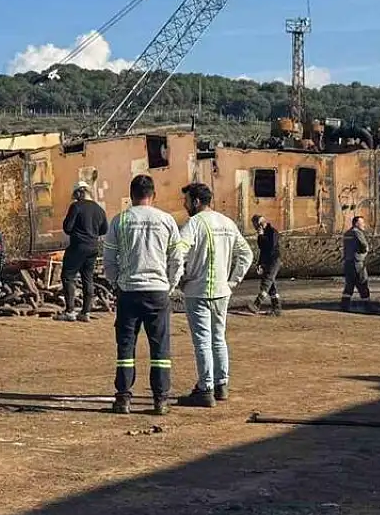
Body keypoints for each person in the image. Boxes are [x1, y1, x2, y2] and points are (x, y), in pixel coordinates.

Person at [103, 174, 185, 416]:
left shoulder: (120, 220)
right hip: (158, 292)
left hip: (129, 292)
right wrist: (170, 285)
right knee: (160, 348)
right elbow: (177, 259)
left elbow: (109, 260)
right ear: (153, 195)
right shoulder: (166, 220)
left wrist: (116, 283)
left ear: (131, 195)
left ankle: (123, 398)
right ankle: (160, 400)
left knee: (125, 347)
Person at [175, 183, 253, 408]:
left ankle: (205, 388)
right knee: (218, 338)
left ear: (196, 201)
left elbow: (179, 252)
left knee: (202, 340)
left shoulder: (194, 223)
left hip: (198, 290)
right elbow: (246, 254)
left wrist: (179, 278)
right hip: (221, 291)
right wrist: (232, 281)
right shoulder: (227, 222)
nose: (185, 205)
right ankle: (221, 384)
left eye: (187, 201)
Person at [55, 181, 108, 322]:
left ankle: (70, 311)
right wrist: (92, 233)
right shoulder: (99, 209)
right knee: (88, 278)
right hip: (93, 247)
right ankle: (85, 312)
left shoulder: (76, 207)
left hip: (78, 246)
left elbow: (67, 228)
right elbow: (104, 229)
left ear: (80, 192)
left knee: (68, 276)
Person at [246, 214, 282, 316]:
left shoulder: (272, 232)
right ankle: (276, 309)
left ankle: (257, 304)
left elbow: (271, 247)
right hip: (267, 261)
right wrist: (259, 263)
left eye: (255, 225)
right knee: (271, 286)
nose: (255, 228)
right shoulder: (262, 234)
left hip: (274, 260)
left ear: (260, 224)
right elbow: (262, 250)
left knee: (267, 281)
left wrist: (261, 236)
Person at [340, 216, 373, 312]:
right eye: (362, 223)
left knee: (349, 284)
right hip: (357, 263)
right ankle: (368, 307)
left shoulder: (347, 233)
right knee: (363, 283)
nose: (364, 224)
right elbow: (364, 245)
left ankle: (344, 306)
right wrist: (364, 253)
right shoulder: (357, 233)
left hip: (348, 262)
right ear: (356, 224)